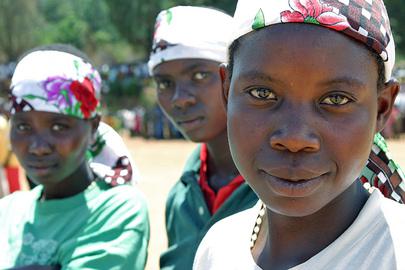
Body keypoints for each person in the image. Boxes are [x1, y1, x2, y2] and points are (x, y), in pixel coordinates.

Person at [149, 4, 405, 270]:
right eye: (262, 94)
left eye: (336, 99)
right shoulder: (218, 248)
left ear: (382, 108)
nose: (294, 139)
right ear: (226, 92)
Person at [0, 44, 149, 269]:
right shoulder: (8, 211)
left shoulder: (116, 209)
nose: (38, 147)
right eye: (23, 127)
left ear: (93, 128)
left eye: (59, 127)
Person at [148, 6, 259, 270]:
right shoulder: (182, 196)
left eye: (199, 76)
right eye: (164, 83)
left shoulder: (286, 184)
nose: (180, 99)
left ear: (234, 76)